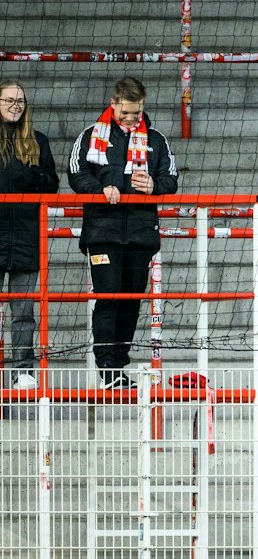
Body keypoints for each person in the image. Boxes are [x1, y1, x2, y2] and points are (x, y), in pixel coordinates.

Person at [66, 76, 179, 387]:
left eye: (136, 112)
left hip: (140, 234)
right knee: (108, 297)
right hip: (103, 232)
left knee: (130, 301)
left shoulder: (156, 139)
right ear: (113, 103)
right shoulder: (91, 135)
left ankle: (119, 365)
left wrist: (154, 185)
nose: (130, 118)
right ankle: (107, 368)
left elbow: (171, 178)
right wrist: (100, 189)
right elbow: (76, 173)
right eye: (125, 112)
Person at [0, 81, 57, 387]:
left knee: (23, 311)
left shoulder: (38, 141)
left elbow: (52, 184)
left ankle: (23, 371)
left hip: (26, 237)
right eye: (9, 100)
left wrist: (33, 176)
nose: (15, 105)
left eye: (20, 101)